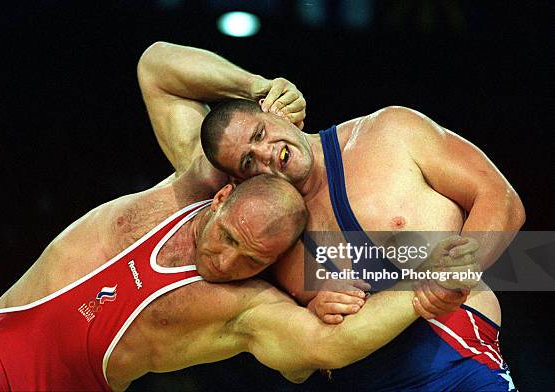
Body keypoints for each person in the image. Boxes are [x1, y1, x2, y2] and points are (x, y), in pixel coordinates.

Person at [139, 41, 525, 390]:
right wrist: (311, 312)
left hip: (455, 368)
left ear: (276, 114)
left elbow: (500, 197)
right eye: (248, 160)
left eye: (260, 133)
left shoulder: (389, 133)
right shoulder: (258, 229)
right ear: (237, 179)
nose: (268, 153)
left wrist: (257, 86)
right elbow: (156, 69)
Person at [0, 169, 472, 391]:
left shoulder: (247, 305)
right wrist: (256, 90)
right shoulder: (177, 192)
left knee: (521, 263)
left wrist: (419, 296)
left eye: (251, 258)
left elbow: (327, 345)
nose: (225, 261)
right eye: (227, 237)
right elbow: (157, 66)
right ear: (220, 199)